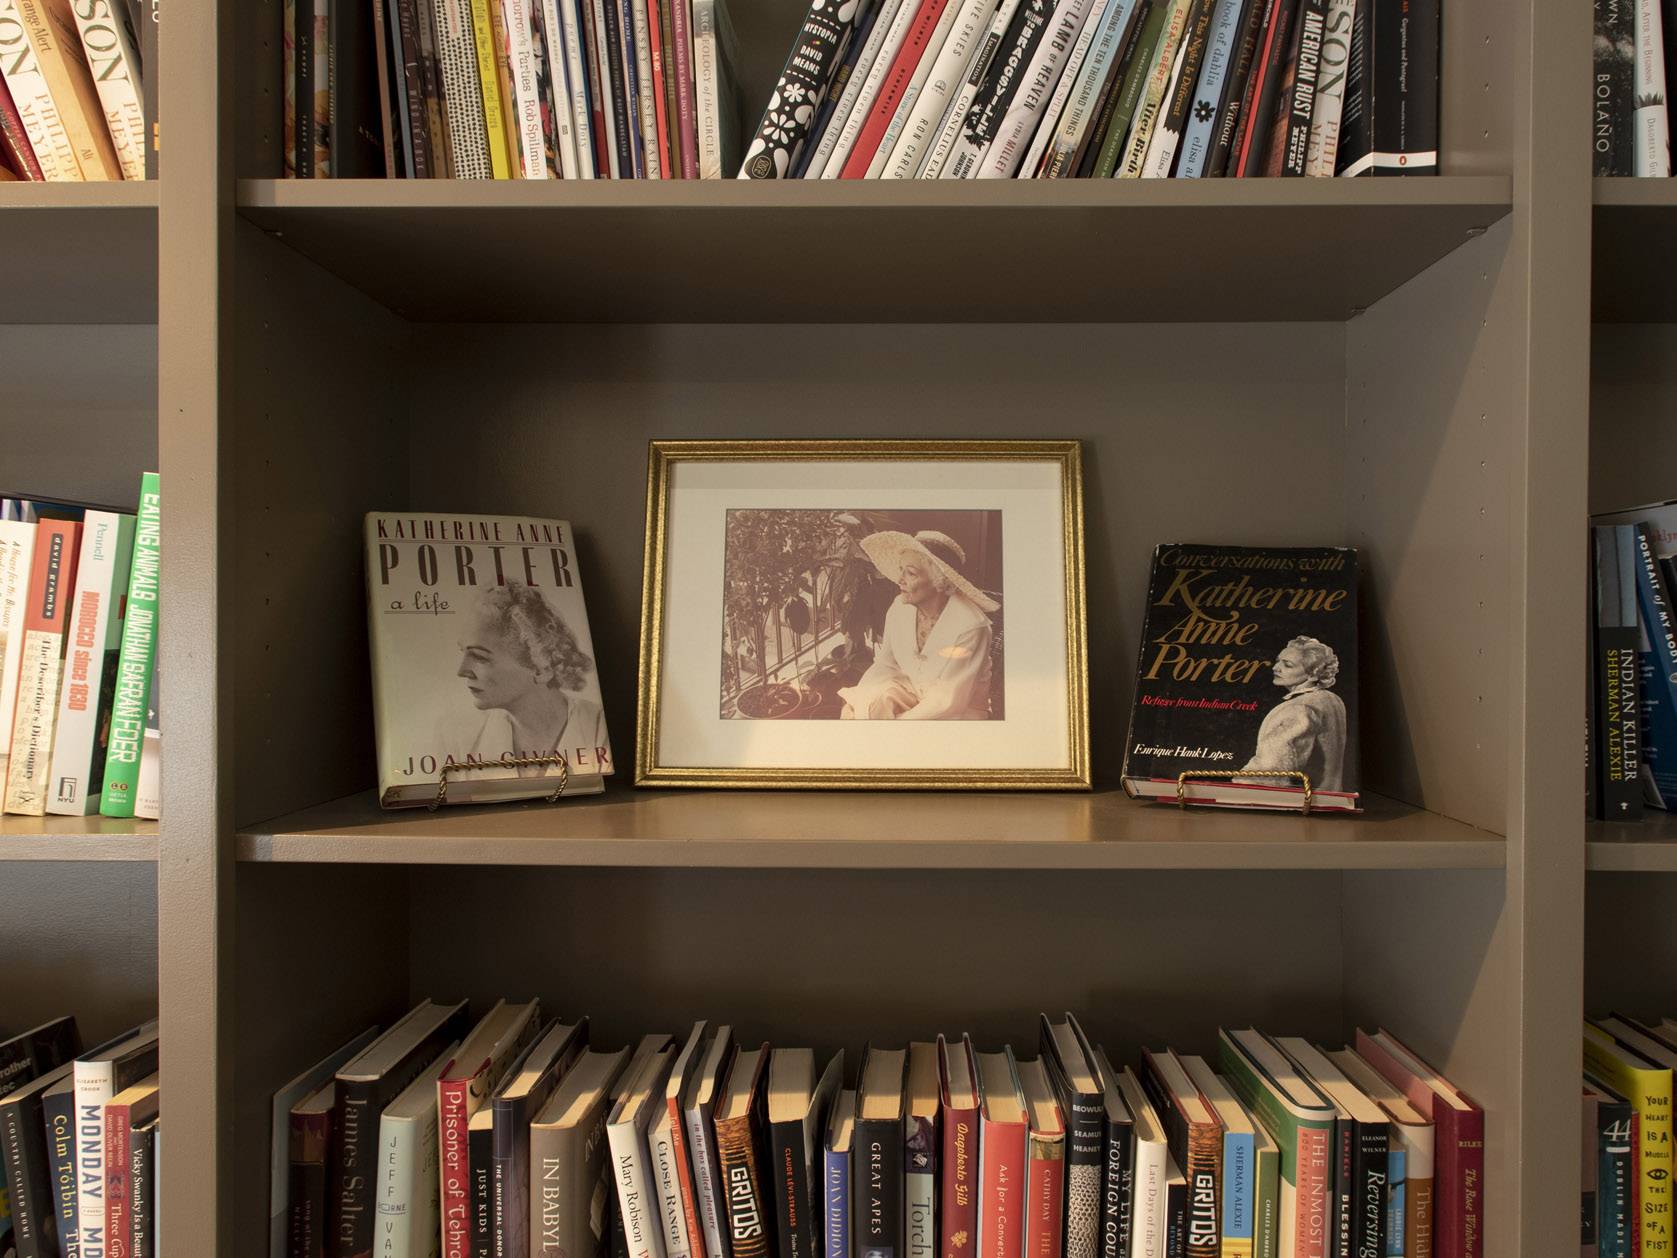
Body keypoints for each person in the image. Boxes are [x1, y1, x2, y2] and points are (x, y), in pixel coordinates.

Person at [449, 584, 610, 776]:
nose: (462, 671)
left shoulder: (600, 729)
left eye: (480, 657)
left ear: (540, 667)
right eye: (463, 652)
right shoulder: (458, 739)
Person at [837, 529, 998, 720]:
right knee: (867, 708)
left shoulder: (971, 626)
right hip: (911, 691)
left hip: (957, 714)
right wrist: (858, 702)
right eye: (901, 570)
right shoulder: (899, 608)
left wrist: (896, 725)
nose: (900, 580)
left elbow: (948, 701)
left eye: (911, 573)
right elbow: (885, 664)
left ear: (940, 581)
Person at [1238, 635, 1347, 791]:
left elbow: (1267, 774)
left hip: (1304, 800)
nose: (1275, 667)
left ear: (1313, 673)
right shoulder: (1332, 699)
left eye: (1287, 665)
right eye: (1278, 661)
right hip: (1330, 794)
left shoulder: (1298, 708)